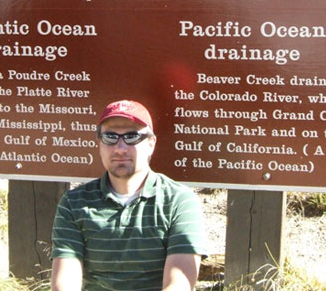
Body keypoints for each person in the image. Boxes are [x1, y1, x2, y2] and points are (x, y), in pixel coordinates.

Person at [51, 99, 208, 291]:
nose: (120, 148)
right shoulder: (74, 203)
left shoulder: (179, 201)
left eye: (132, 137)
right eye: (110, 137)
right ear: (99, 144)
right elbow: (65, 283)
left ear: (151, 144)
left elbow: (179, 284)